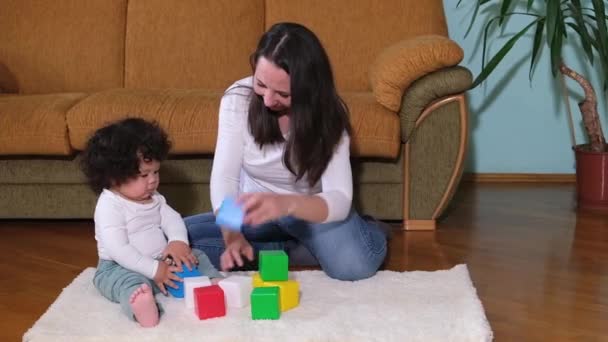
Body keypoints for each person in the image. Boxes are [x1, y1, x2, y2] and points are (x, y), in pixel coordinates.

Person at [185, 22, 389, 282]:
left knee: (353, 265)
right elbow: (226, 179)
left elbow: (339, 198)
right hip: (256, 212)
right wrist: (233, 235)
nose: (268, 100)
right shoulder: (238, 100)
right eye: (261, 84)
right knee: (176, 240)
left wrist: (285, 204)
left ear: (308, 89)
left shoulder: (328, 115)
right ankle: (287, 251)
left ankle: (362, 231)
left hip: (309, 213)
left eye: (282, 93)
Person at [80, 118, 222, 328]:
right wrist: (155, 270)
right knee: (129, 285)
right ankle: (143, 309)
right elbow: (119, 250)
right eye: (143, 175)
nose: (153, 180)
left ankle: (212, 282)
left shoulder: (153, 196)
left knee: (194, 256)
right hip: (118, 267)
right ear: (113, 177)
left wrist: (177, 242)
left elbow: (171, 218)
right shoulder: (110, 206)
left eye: (155, 171)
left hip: (159, 259)